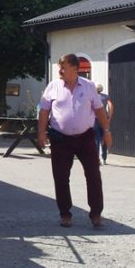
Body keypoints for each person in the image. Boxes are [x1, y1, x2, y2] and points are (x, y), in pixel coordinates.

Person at [37, 54, 112, 229]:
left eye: (63, 67)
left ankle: (96, 214)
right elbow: (44, 111)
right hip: (60, 138)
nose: (60, 70)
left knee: (93, 175)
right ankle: (65, 214)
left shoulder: (89, 86)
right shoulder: (53, 87)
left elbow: (100, 110)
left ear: (75, 68)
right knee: (61, 176)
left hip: (85, 137)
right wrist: (41, 132)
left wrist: (106, 131)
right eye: (59, 67)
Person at [93, 83, 114, 165]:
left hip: (95, 119)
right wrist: (109, 116)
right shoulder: (105, 96)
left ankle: (96, 158)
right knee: (104, 138)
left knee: (96, 139)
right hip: (104, 119)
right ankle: (104, 158)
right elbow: (110, 105)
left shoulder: (93, 97)